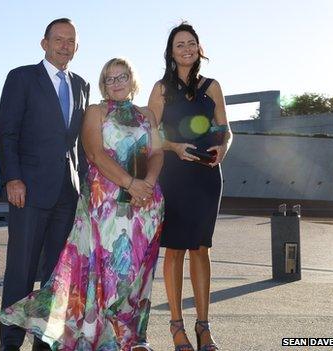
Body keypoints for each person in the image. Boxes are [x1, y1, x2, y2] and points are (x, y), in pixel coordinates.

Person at [0, 58, 164, 351]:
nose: (116, 82)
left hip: (144, 205)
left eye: (121, 76)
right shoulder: (95, 111)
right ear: (103, 84)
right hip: (107, 205)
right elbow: (95, 154)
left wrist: (148, 183)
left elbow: (157, 152)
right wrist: (131, 184)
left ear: (132, 78)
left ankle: (130, 337)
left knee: (136, 272)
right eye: (109, 78)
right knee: (103, 270)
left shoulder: (147, 114)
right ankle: (98, 336)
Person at [0, 18, 90, 351]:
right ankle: (10, 343)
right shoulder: (22, 78)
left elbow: (78, 142)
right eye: (58, 39)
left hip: (68, 192)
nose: (64, 46)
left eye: (70, 41)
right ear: (44, 43)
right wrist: (12, 178)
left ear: (76, 47)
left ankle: (45, 341)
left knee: (56, 276)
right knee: (21, 271)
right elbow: (6, 132)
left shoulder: (81, 84)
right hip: (29, 190)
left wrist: (86, 187)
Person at [147, 22, 232, 351]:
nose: (186, 48)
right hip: (174, 176)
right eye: (179, 44)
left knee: (201, 248)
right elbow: (151, 134)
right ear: (171, 51)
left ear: (199, 48)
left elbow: (227, 129)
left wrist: (225, 148)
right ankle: (176, 326)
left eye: (191, 43)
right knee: (176, 248)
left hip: (208, 177)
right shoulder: (161, 89)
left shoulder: (212, 86)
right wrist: (175, 148)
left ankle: (203, 327)